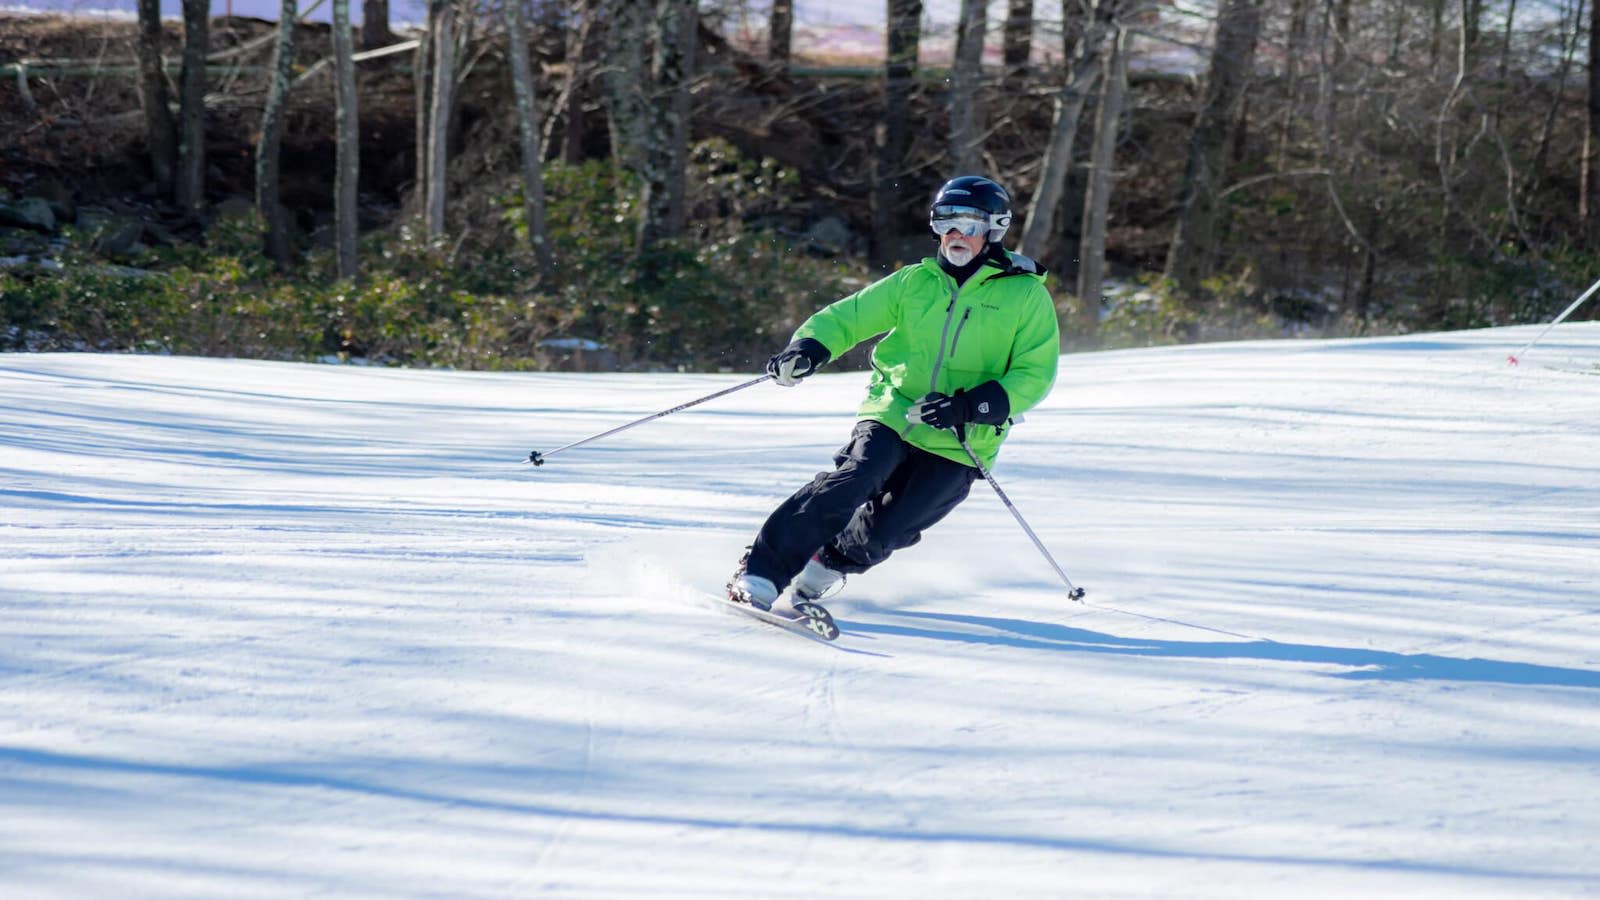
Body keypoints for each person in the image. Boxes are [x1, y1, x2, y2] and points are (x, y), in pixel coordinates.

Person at [727, 175, 1061, 611]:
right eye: (946, 222)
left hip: (963, 436)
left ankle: (824, 567)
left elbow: (1034, 373)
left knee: (894, 524)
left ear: (995, 228)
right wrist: (808, 348)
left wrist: (968, 407)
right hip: (895, 409)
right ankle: (761, 572)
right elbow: (847, 318)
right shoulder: (913, 283)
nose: (955, 235)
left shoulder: (1025, 295)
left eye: (970, 224)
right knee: (855, 478)